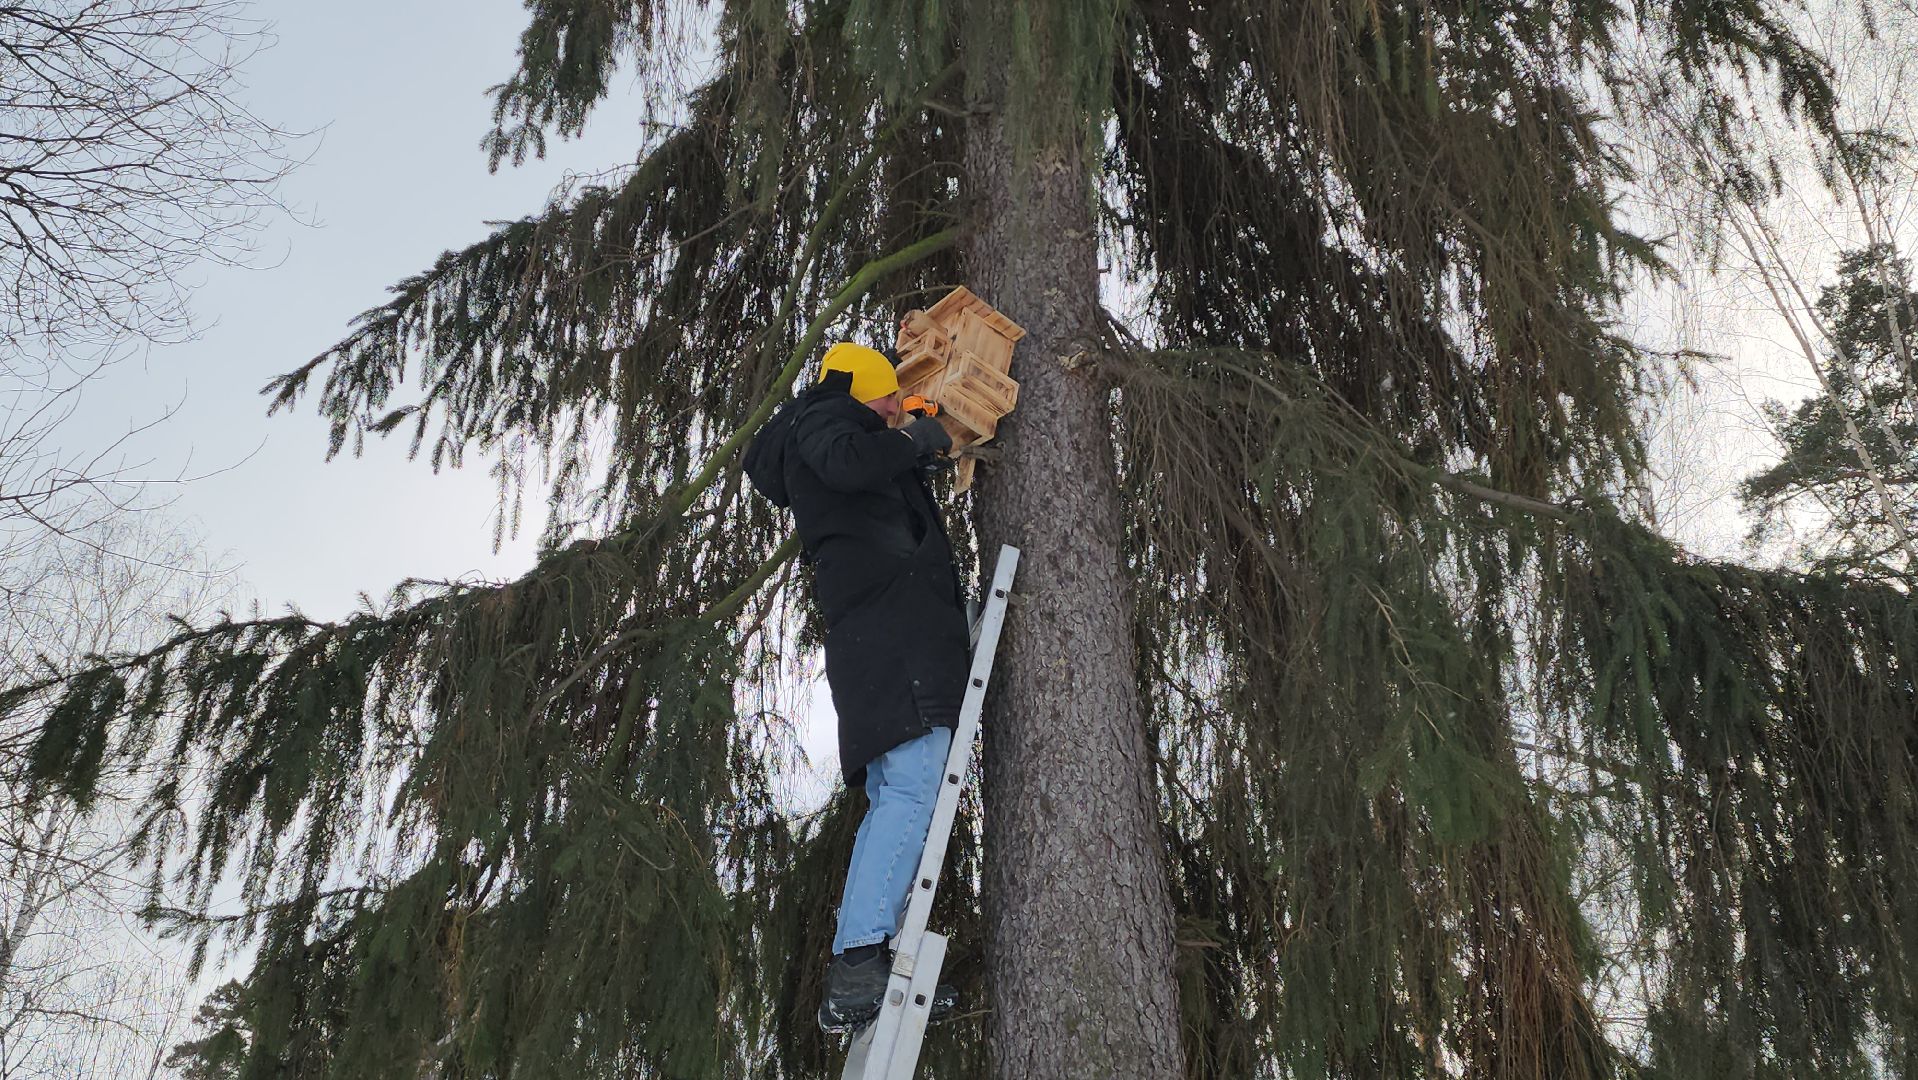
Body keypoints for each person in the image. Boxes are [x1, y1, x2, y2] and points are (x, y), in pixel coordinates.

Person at [743, 341, 971, 1031]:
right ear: (863, 393)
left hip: (884, 640)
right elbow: (850, 460)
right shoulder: (824, 422)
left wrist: (919, 446)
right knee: (910, 787)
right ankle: (859, 964)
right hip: (894, 640)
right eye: (890, 403)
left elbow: (870, 475)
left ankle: (868, 959)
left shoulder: (839, 438)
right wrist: (920, 437)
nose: (897, 412)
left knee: (896, 792)